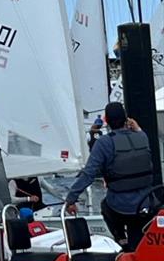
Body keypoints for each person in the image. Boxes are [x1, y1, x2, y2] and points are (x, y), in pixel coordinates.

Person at [65, 101, 156, 249]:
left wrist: (71, 199)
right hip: (147, 202)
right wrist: (137, 128)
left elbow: (89, 174)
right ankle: (136, 248)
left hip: (121, 206)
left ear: (106, 120)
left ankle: (121, 240)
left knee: (105, 206)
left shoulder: (104, 143)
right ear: (126, 119)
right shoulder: (142, 137)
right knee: (136, 226)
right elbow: (140, 135)